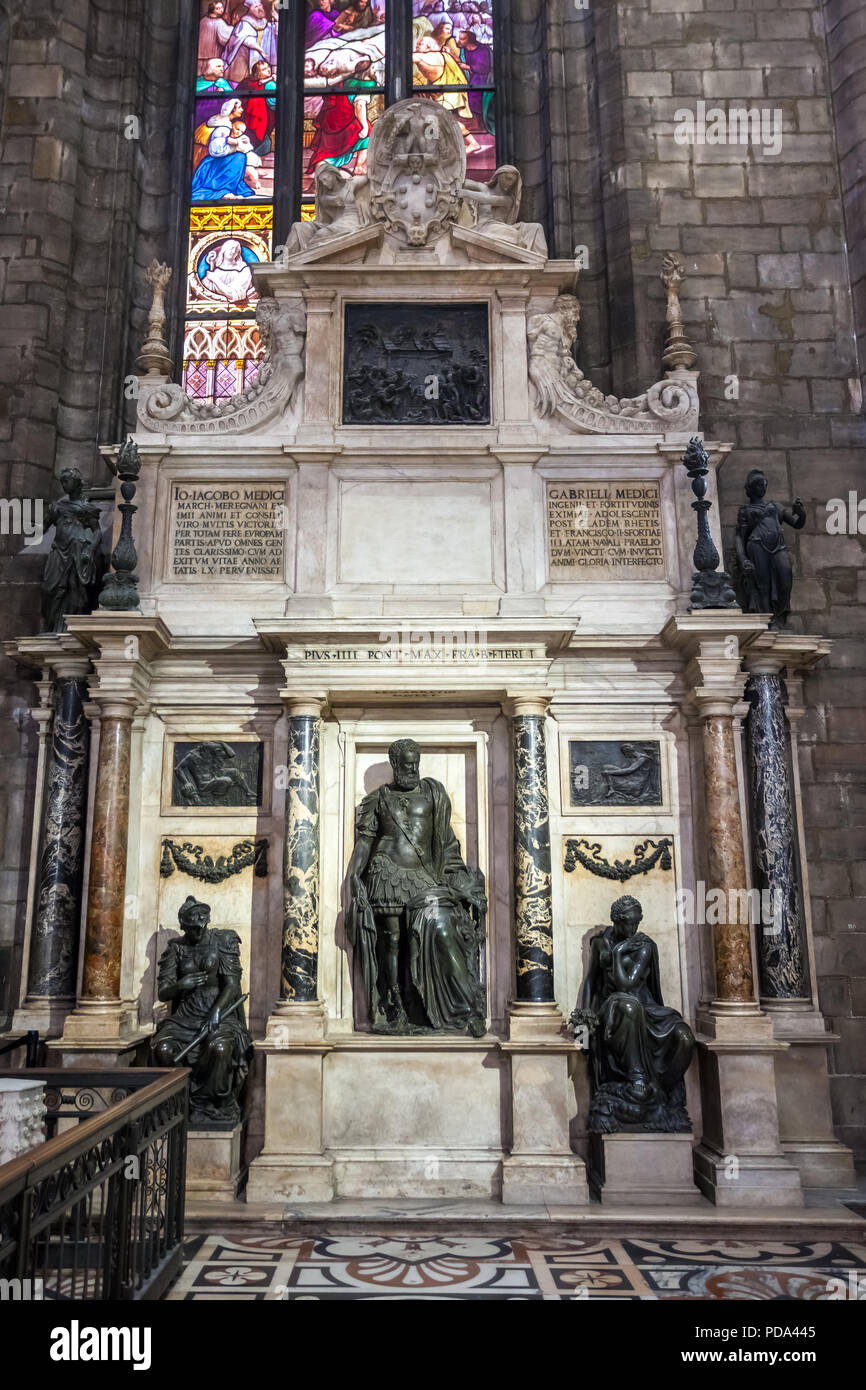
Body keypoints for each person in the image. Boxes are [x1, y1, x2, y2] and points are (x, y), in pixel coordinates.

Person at [345, 738, 487, 1035]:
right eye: (406, 763)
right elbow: (364, 843)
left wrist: (458, 879)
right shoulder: (378, 798)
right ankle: (395, 1002)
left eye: (415, 763)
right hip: (387, 873)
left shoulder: (433, 793)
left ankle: (447, 1008)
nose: (412, 768)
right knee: (392, 939)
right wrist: (354, 876)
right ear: (395, 764)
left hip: (423, 876)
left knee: (437, 929)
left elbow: (446, 840)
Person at [575, 895, 695, 1133]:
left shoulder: (644, 945)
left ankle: (661, 1092)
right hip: (615, 1007)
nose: (633, 928)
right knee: (628, 1007)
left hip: (647, 1007)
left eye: (636, 922)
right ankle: (637, 1078)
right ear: (616, 921)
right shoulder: (600, 943)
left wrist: (619, 952)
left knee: (684, 1037)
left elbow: (628, 984)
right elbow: (592, 981)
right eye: (628, 923)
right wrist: (584, 1021)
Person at [151, 897, 253, 1127]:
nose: (199, 931)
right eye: (193, 928)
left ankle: (207, 1104)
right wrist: (180, 985)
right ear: (184, 926)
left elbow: (232, 985)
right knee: (163, 1048)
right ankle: (179, 1103)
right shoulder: (175, 949)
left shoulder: (222, 942)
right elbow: (163, 993)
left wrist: (216, 1012)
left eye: (202, 925)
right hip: (184, 1018)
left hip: (219, 1015)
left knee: (219, 1048)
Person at [734, 468, 806, 629]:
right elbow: (739, 536)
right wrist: (743, 558)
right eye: (759, 485)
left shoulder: (776, 506)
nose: (763, 487)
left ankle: (780, 615)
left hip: (778, 547)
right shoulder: (745, 511)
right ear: (751, 488)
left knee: (785, 580)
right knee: (763, 585)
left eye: (764, 484)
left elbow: (796, 523)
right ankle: (769, 621)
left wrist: (802, 514)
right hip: (757, 545)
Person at [40, 468, 105, 633]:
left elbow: (97, 531)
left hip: (76, 554)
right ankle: (51, 625)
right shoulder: (57, 507)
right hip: (58, 553)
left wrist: (90, 549)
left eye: (66, 481)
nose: (63, 485)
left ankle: (64, 628)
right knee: (49, 589)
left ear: (77, 483)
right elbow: (41, 528)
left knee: (72, 590)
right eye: (62, 481)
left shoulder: (86, 508)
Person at [191, 100, 258, 199]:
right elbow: (215, 150)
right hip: (212, 164)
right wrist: (235, 147)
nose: (242, 110)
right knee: (240, 157)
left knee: (241, 156)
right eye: (239, 108)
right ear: (231, 110)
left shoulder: (226, 123)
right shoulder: (223, 127)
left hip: (215, 161)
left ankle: (230, 186)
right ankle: (223, 188)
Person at [221, 0, 278, 85]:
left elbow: (273, 35)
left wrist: (277, 19)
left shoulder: (266, 23)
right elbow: (241, 38)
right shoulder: (244, 23)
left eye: (260, 6)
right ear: (250, 9)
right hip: (244, 60)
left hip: (262, 60)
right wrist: (259, 49)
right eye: (256, 7)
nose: (260, 8)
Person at [198, 1, 233, 74]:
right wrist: (233, 24)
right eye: (218, 8)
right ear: (212, 10)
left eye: (221, 7)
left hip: (200, 55)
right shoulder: (219, 22)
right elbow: (224, 39)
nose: (221, 10)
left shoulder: (203, 20)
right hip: (212, 55)